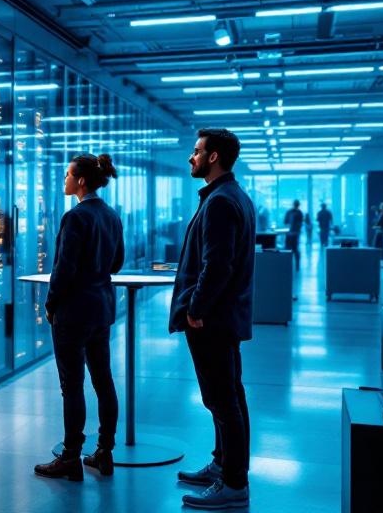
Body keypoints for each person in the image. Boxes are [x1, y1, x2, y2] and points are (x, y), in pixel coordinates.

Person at [170, 128, 254, 509]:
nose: (192, 157)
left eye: (197, 151)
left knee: (222, 401)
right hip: (224, 317)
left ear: (214, 156)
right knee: (229, 395)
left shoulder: (220, 201)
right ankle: (223, 465)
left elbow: (217, 265)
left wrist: (196, 309)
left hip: (212, 321)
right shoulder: (231, 195)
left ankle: (233, 483)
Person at [34, 153, 124, 482]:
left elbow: (64, 268)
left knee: (71, 386)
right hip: (101, 309)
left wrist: (50, 303)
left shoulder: (75, 217)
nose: (65, 180)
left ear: (81, 181)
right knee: (103, 381)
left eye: (68, 175)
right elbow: (117, 263)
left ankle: (70, 458)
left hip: (73, 312)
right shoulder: (111, 215)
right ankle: (104, 452)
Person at [283, 200, 304, 271]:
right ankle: (296, 265)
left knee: (288, 248)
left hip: (290, 233)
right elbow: (300, 223)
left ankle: (288, 264)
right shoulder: (299, 213)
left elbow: (285, 221)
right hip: (295, 233)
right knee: (295, 249)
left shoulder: (289, 212)